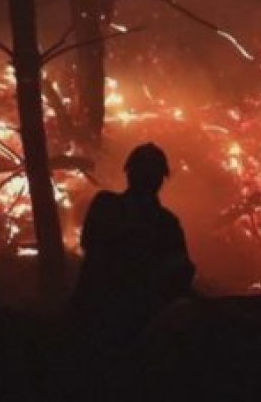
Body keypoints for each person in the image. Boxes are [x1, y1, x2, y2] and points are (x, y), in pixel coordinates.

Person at [72, 143, 195, 342]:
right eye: (143, 170)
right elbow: (181, 272)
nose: (146, 177)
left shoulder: (107, 205)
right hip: (116, 312)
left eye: (149, 171)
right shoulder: (162, 221)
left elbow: (181, 270)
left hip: (113, 312)